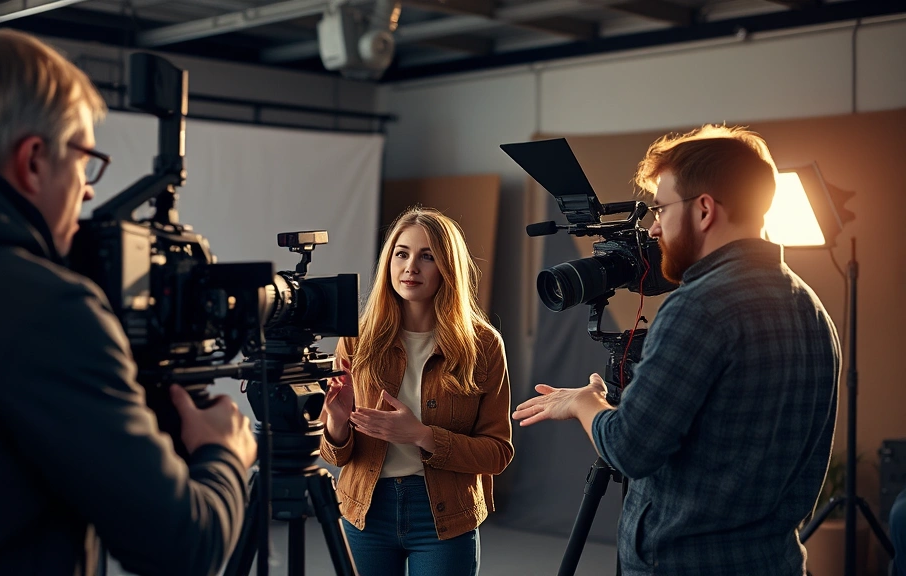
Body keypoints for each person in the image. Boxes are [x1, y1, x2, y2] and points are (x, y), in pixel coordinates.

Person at [0, 30, 256, 576]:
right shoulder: (44, 311)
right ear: (34, 161)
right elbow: (185, 545)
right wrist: (224, 453)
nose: (87, 190)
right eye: (85, 161)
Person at [513, 125, 840, 575]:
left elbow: (629, 449)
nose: (653, 227)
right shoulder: (812, 309)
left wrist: (586, 403)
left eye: (662, 208)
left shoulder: (699, 307)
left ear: (704, 209)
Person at [319, 207, 513, 576]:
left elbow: (497, 454)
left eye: (427, 256)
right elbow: (333, 455)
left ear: (447, 268)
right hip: (365, 512)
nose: (411, 267)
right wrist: (337, 423)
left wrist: (422, 435)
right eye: (402, 253)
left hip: (444, 516)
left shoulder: (484, 344)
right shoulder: (356, 339)